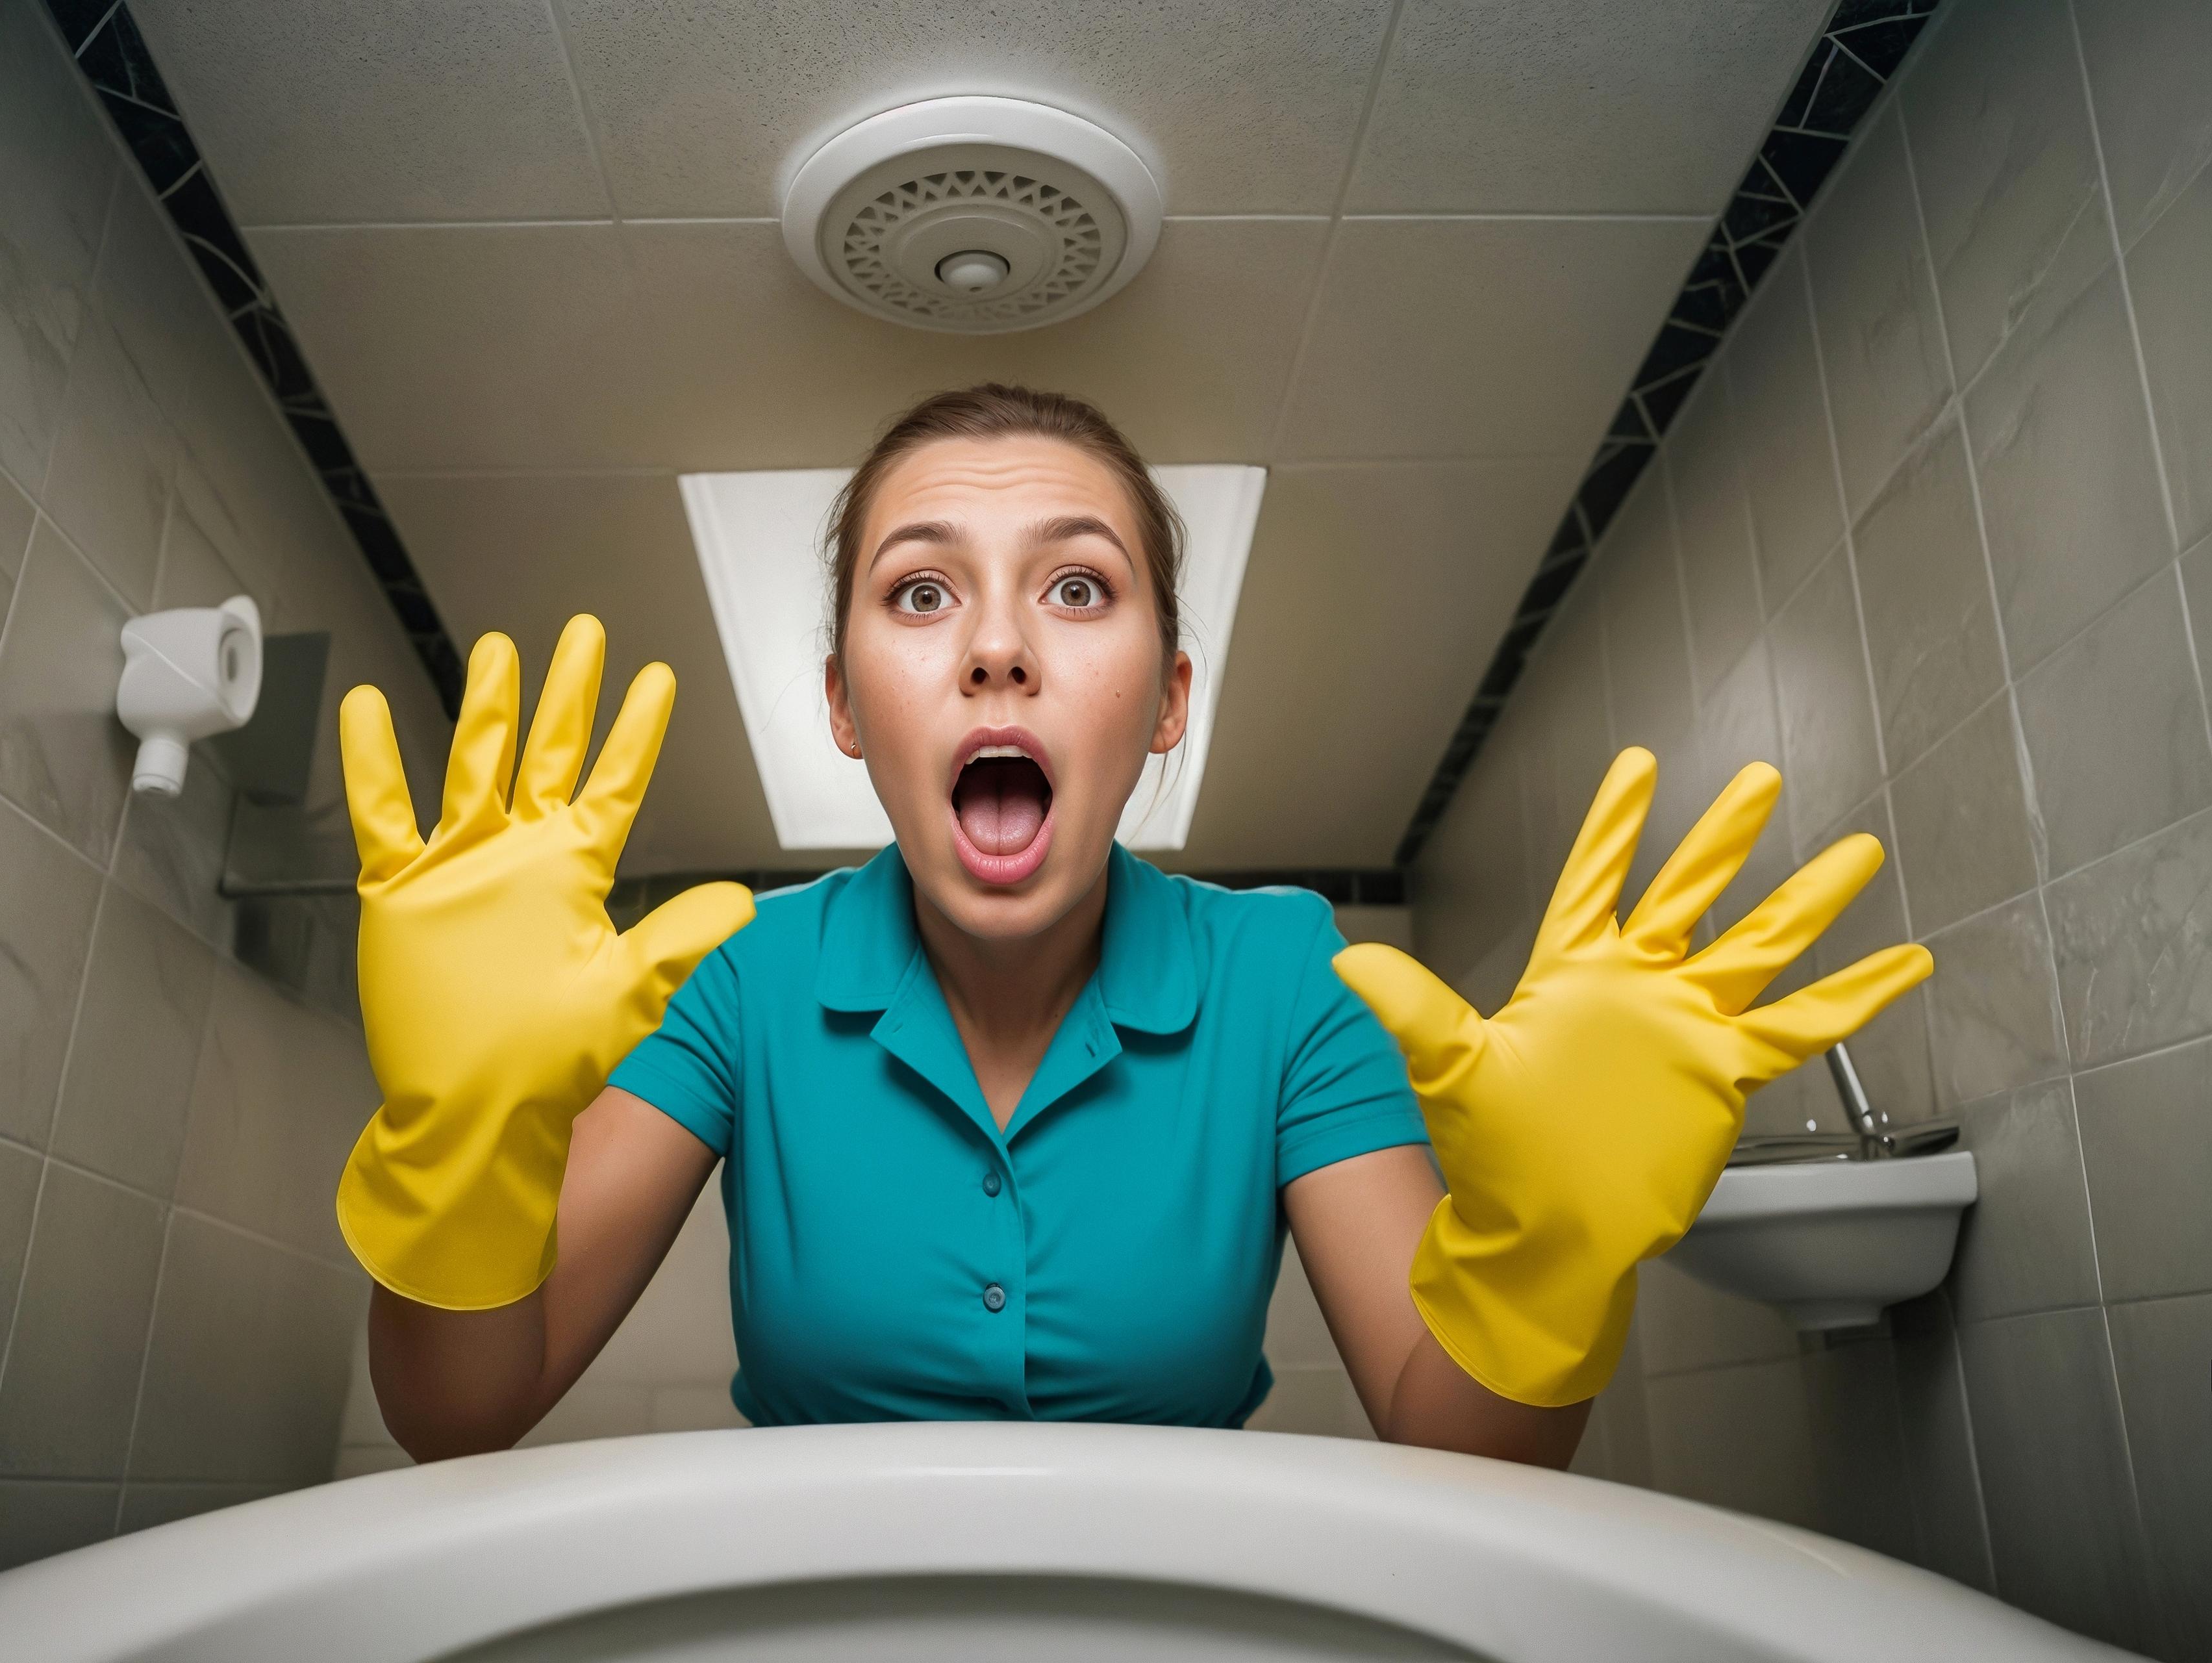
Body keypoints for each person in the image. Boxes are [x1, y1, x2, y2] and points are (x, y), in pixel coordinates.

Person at [333, 385, 1931, 1469]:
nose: (1001, 649)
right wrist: (459, 1142)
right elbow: (458, 1412)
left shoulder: (1290, 980)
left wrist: (1555, 1258)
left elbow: (1464, 1453)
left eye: (1080, 588)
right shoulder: (735, 978)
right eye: (920, 593)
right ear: (840, 703)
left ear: (1169, 700)